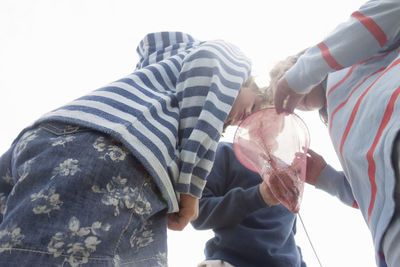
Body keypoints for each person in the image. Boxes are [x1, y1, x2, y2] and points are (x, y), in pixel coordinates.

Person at [0, 31, 261, 266]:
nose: (242, 119)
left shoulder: (164, 79)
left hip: (51, 142)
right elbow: (209, 75)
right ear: (246, 81)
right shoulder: (231, 59)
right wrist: (190, 194)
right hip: (114, 155)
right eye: (251, 107)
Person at [272, 1, 400, 266]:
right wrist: (326, 177)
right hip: (389, 235)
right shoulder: (337, 127)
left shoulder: (350, 56)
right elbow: (371, 193)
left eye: (286, 76)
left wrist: (301, 74)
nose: (293, 102)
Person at [191, 140, 307, 267]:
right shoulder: (225, 151)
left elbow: (288, 235)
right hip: (230, 262)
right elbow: (196, 212)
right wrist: (259, 196)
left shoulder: (287, 175)